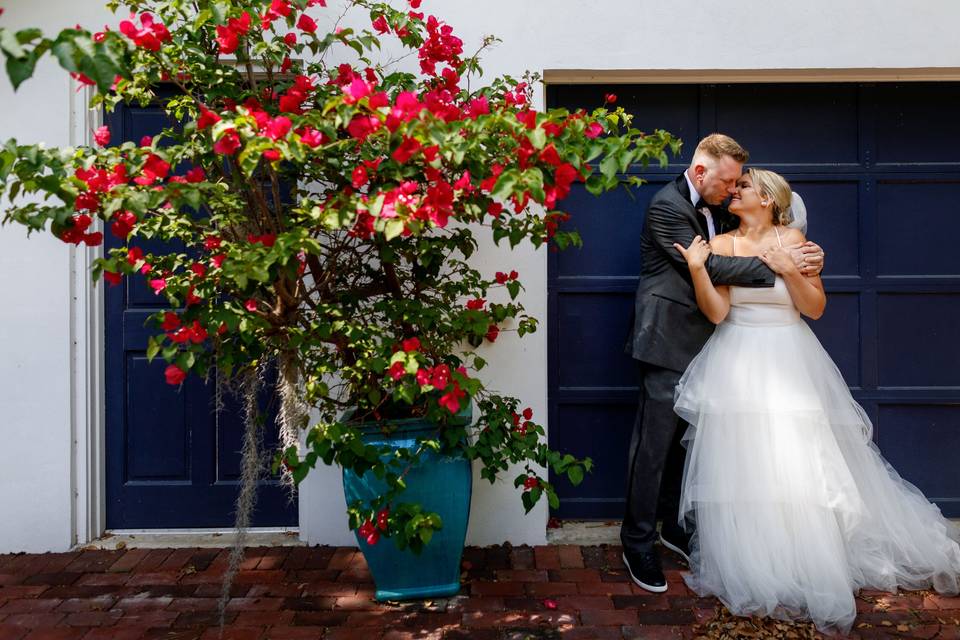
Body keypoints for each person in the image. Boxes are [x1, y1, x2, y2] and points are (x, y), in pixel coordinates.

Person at [673, 168, 960, 634]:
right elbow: (717, 311)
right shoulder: (722, 244)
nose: (734, 191)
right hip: (736, 359)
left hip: (791, 357)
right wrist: (698, 269)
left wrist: (789, 269)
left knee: (798, 459)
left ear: (766, 198)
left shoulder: (798, 243)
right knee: (744, 462)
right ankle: (756, 559)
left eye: (743, 186)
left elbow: (815, 307)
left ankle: (808, 554)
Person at [621, 133, 824, 593]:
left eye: (739, 183)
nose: (732, 190)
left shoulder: (716, 207)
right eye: (727, 181)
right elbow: (710, 268)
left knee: (683, 447)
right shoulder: (667, 207)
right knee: (652, 447)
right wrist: (784, 263)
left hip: (718, 344)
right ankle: (637, 543)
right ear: (700, 173)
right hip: (669, 341)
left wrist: (802, 258)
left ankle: (673, 528)